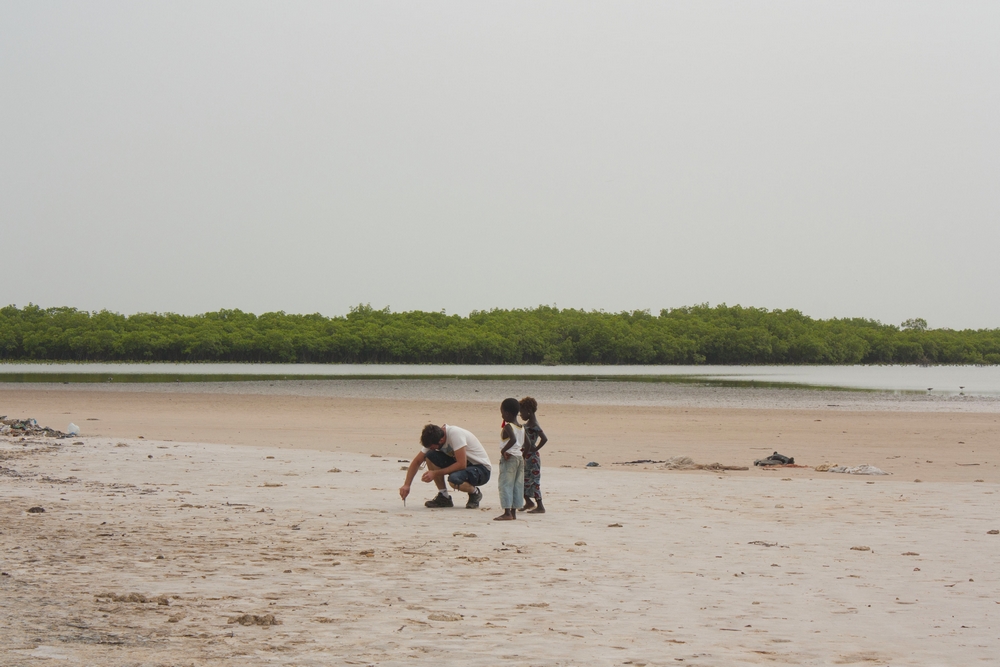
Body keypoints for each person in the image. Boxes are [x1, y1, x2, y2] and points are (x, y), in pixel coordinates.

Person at [399, 423, 491, 509]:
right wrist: (407, 485)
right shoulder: (434, 438)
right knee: (430, 455)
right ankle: (444, 496)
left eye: (432, 447)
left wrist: (435, 473)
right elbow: (417, 461)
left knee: (454, 480)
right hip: (463, 466)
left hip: (481, 469)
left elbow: (461, 464)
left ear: (441, 440)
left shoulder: (455, 434)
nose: (431, 448)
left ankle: (475, 493)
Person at [494, 398, 525, 521]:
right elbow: (527, 444)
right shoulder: (521, 427)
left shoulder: (508, 427)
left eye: (502, 412)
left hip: (509, 459)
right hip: (519, 458)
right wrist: (523, 454)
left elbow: (512, 440)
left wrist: (503, 451)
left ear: (507, 413)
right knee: (517, 485)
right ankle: (514, 512)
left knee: (505, 484)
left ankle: (507, 512)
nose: (502, 415)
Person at [519, 396, 548, 513]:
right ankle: (529, 502)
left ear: (529, 412)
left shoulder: (534, 424)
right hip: (527, 455)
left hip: (532, 458)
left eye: (522, 413)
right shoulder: (529, 423)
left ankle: (540, 506)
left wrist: (535, 448)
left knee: (534, 481)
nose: (520, 415)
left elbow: (544, 439)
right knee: (524, 479)